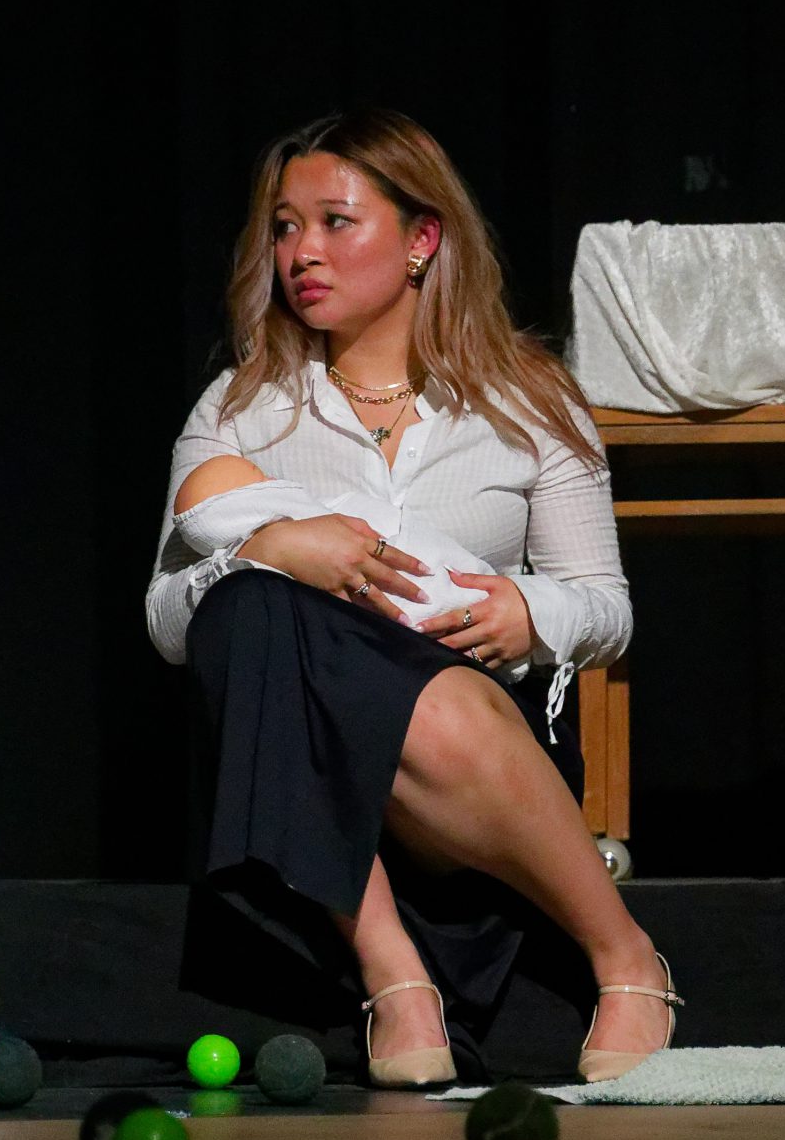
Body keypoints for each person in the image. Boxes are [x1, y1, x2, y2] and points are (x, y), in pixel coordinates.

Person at [148, 110, 675, 1086]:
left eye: (335, 221)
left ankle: (624, 952)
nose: (302, 252)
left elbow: (607, 607)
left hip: (476, 741)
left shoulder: (530, 398)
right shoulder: (239, 406)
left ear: (422, 239)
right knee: (249, 609)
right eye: (284, 227)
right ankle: (393, 974)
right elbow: (171, 620)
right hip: (308, 751)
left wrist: (528, 612)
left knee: (415, 698)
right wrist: (269, 548)